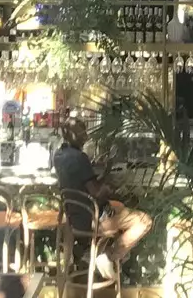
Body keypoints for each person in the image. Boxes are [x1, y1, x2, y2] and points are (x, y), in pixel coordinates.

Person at [53, 118, 153, 279]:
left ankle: (91, 252)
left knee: (119, 207)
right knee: (144, 220)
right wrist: (109, 186)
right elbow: (97, 192)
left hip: (74, 217)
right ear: (72, 135)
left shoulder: (58, 156)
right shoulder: (80, 158)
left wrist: (105, 172)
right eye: (82, 132)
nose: (85, 136)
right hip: (93, 221)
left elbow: (82, 184)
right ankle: (108, 256)